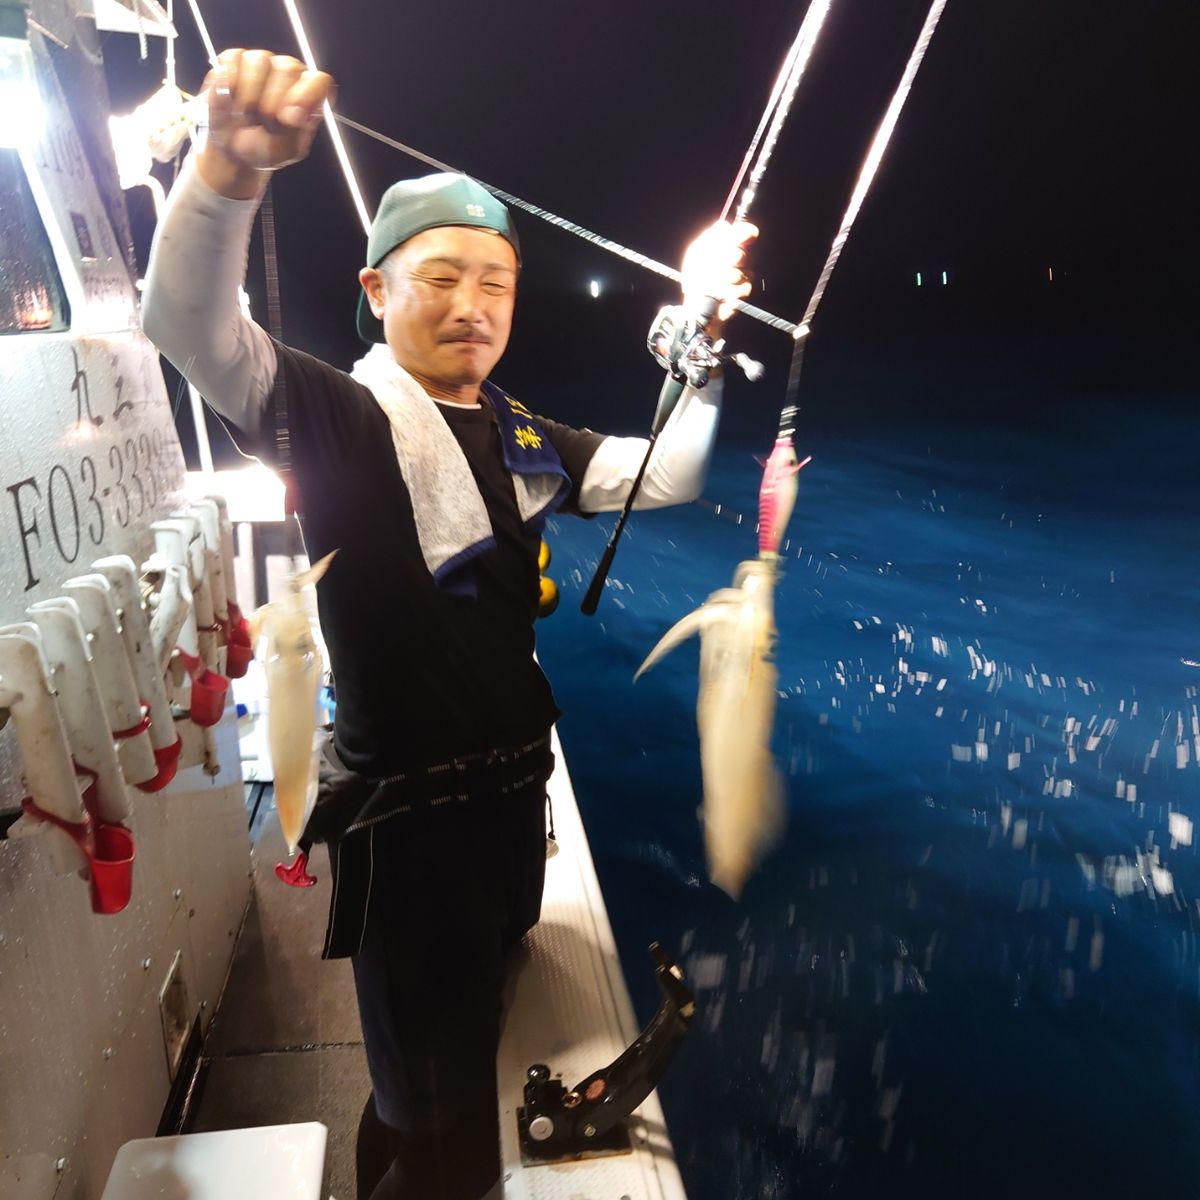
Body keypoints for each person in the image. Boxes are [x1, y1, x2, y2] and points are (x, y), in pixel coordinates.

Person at [143, 48, 755, 1200]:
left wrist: (700, 338)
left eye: (499, 283)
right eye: (440, 279)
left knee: (475, 1029)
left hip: (511, 808)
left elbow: (665, 472)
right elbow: (188, 325)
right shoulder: (333, 413)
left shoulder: (522, 432)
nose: (475, 307)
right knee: (438, 1126)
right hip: (410, 835)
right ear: (375, 290)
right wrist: (226, 176)